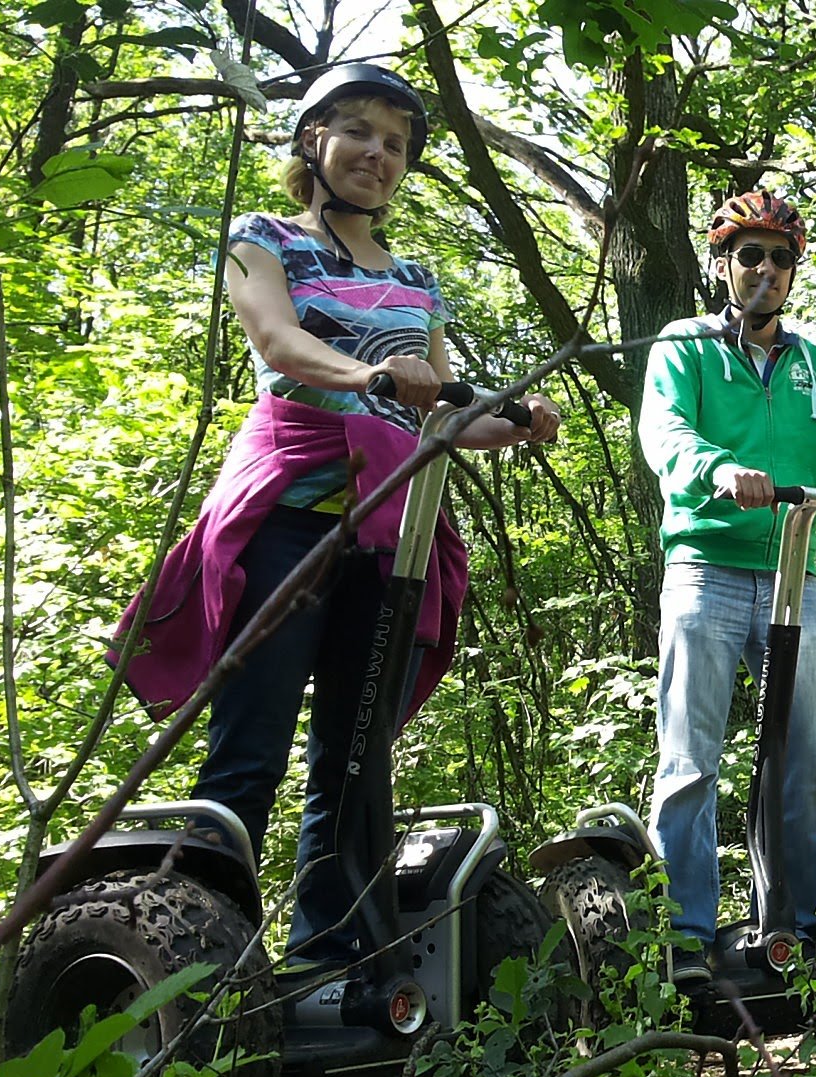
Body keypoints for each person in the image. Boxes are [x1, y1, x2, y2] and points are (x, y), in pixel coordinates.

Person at [110, 62, 561, 966]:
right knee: (251, 750)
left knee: (355, 762)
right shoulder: (260, 239)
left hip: (393, 531)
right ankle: (201, 967)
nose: (377, 155)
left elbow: (440, 412)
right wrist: (372, 376)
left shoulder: (418, 280)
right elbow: (279, 342)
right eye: (358, 131)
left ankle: (333, 959)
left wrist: (516, 421)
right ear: (313, 140)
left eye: (395, 144)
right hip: (289, 516)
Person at [638, 189, 816, 982]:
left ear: (793, 273)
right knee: (691, 758)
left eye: (780, 257)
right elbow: (667, 432)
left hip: (795, 571)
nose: (765, 269)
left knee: (803, 760)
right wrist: (721, 471)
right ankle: (687, 938)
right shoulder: (685, 346)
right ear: (724, 264)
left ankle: (794, 926)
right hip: (705, 570)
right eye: (749, 254)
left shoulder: (812, 365)